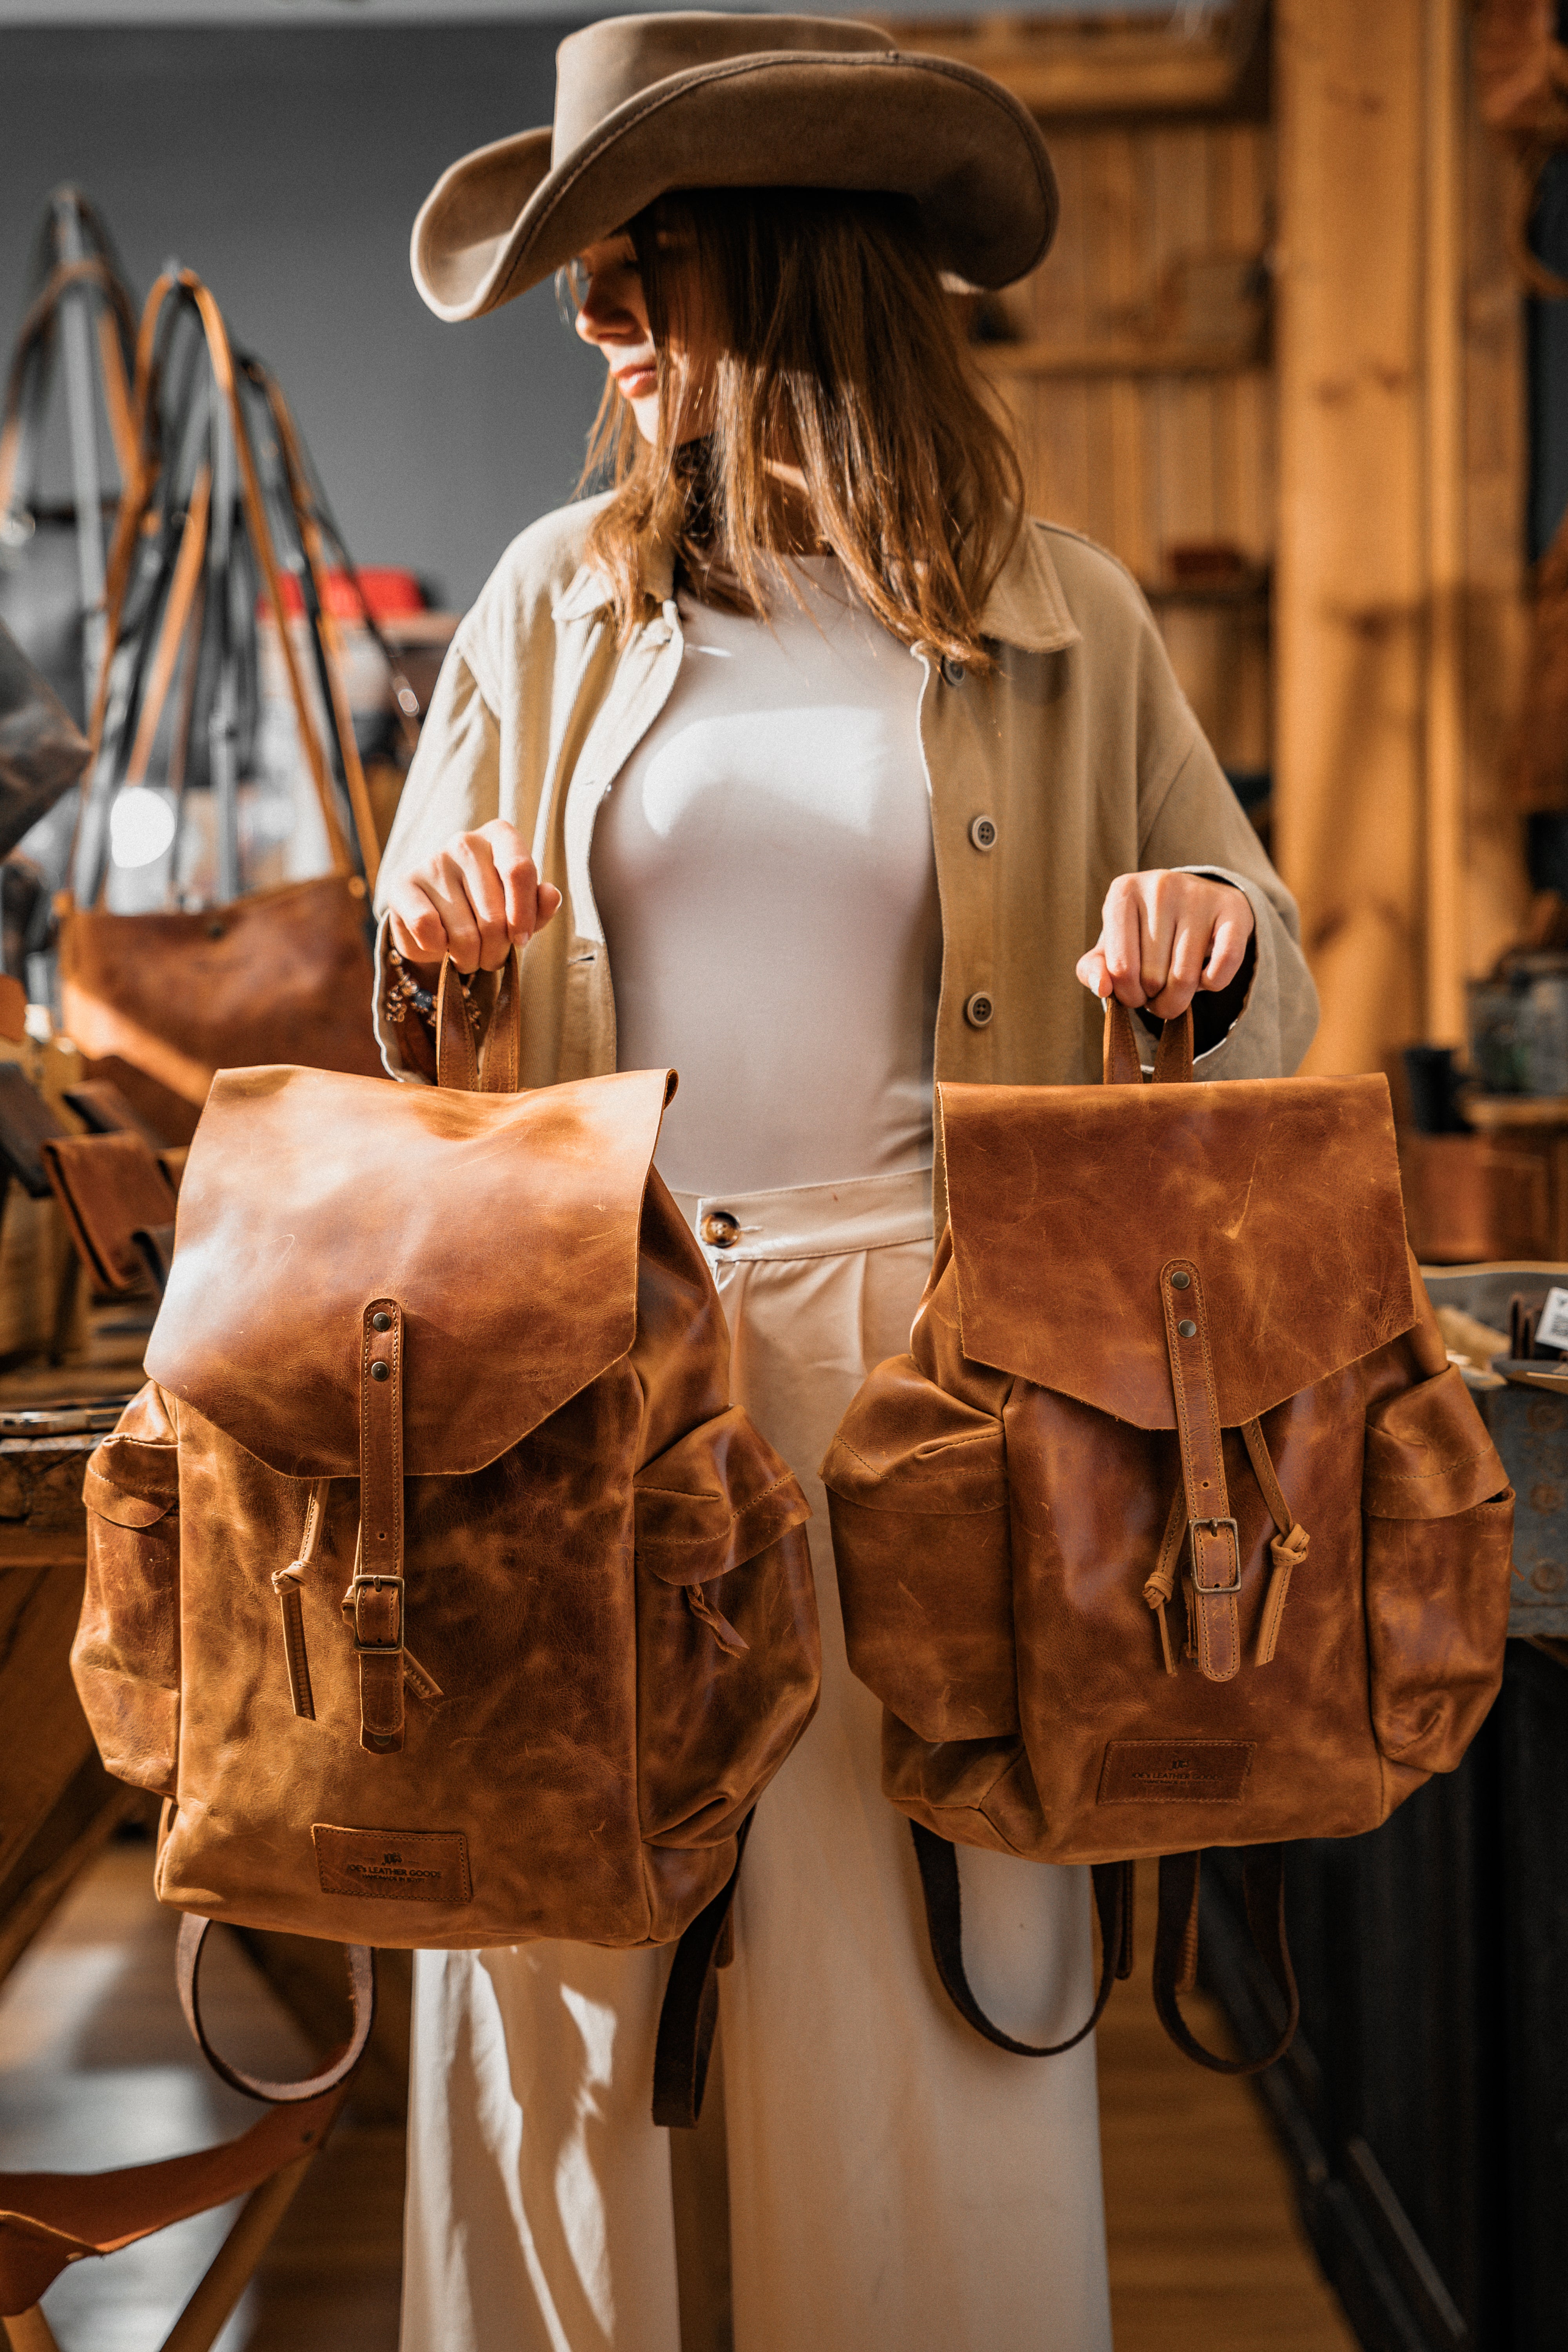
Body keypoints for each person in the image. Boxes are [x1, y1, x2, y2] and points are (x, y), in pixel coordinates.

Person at [372, 16, 1319, 2350]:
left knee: (922, 2022)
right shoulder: (543, 605)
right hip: (590, 1375)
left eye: (628, 280)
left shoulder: (1063, 613)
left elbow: (1259, 955)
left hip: (940, 1394)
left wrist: (1201, 950)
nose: (595, 342)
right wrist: (441, 956)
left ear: (775, 278)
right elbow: (407, 983)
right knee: (568, 1997)